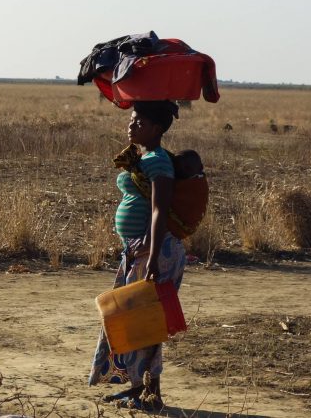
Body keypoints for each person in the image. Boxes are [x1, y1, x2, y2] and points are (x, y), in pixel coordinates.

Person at [89, 100, 186, 412]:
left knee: (147, 323)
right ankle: (138, 388)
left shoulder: (158, 161)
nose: (131, 126)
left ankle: (150, 393)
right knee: (133, 321)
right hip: (139, 250)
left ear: (156, 129)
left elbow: (159, 210)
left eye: (139, 122)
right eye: (131, 120)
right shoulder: (143, 156)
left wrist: (154, 258)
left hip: (154, 251)